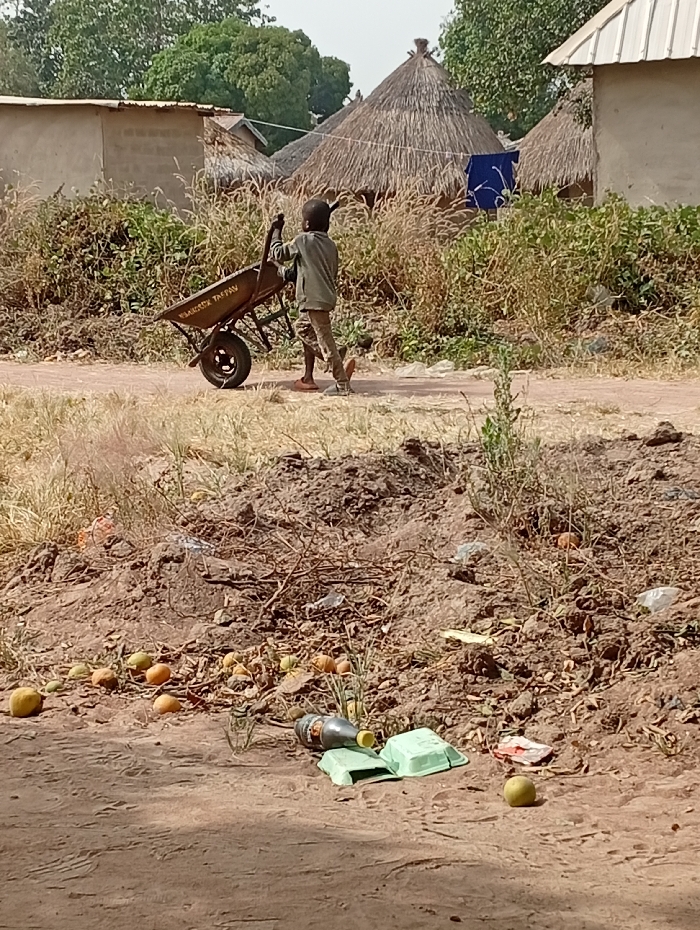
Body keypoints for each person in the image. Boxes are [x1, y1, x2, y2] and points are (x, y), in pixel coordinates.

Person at [270, 199, 355, 396]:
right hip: (324, 297)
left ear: (307, 224)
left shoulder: (303, 241)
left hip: (313, 299)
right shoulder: (330, 245)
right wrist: (282, 270)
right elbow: (302, 271)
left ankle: (342, 382)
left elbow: (278, 253)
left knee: (325, 341)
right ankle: (334, 358)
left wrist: (277, 231)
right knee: (302, 328)